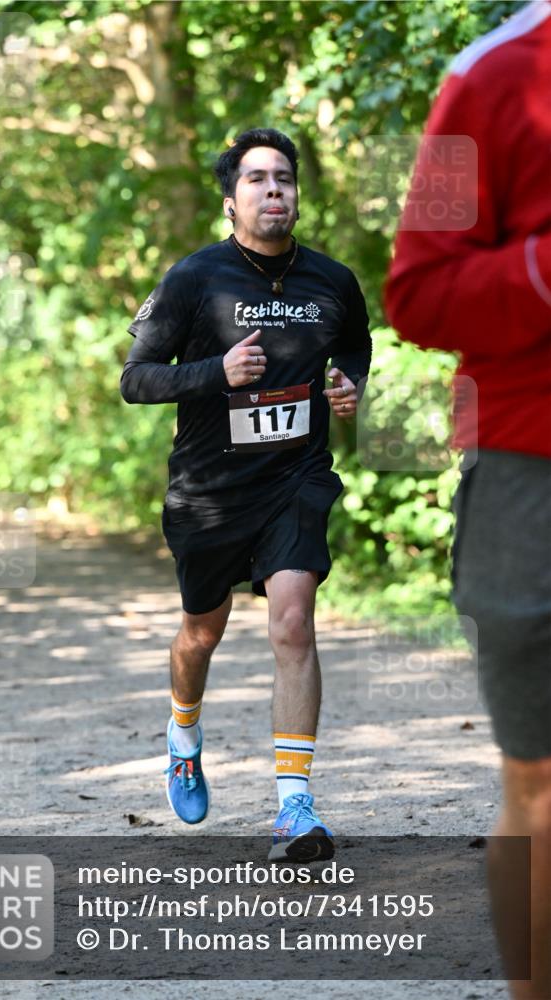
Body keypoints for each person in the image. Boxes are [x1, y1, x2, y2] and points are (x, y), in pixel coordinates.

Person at [121, 128, 371, 860]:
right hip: (206, 490)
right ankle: (182, 731)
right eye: (257, 179)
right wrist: (211, 373)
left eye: (284, 179)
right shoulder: (194, 279)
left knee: (292, 622)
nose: (274, 190)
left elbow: (354, 340)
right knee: (202, 631)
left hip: (294, 479)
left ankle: (294, 806)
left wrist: (349, 381)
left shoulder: (332, 281)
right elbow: (134, 378)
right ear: (231, 199)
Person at [385, 4, 550, 997]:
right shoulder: (485, 78)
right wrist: (541, 268)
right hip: (533, 473)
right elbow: (416, 292)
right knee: (538, 780)